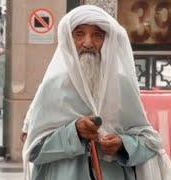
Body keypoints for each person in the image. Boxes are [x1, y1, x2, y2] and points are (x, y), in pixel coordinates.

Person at [22, 5, 171, 180]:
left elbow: (150, 142)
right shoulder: (53, 86)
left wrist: (123, 144)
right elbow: (34, 150)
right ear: (69, 40)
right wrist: (74, 132)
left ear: (107, 42)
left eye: (97, 35)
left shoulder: (121, 85)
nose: (88, 43)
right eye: (79, 34)